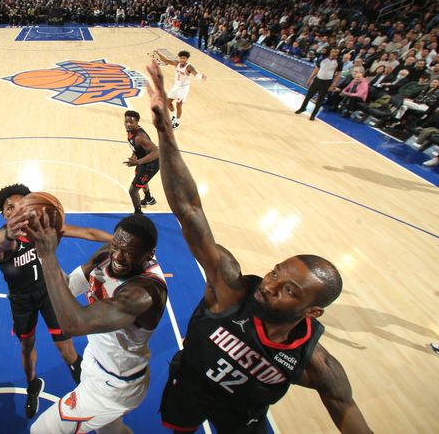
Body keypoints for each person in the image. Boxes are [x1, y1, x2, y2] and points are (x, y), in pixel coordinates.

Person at [144, 60, 372, 433]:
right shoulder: (231, 291)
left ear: (312, 312)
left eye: (288, 290)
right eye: (275, 272)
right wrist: (165, 132)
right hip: (190, 386)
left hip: (242, 416)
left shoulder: (312, 361)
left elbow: (345, 410)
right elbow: (188, 209)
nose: (268, 285)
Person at [23, 212, 167, 434]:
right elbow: (70, 286)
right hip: (97, 363)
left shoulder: (143, 293)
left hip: (114, 385)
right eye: (115, 246)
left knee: (42, 430)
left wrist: (49, 257)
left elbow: (74, 325)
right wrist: (42, 254)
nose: (118, 256)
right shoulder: (107, 255)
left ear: (150, 254)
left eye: (128, 252)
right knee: (111, 431)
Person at [0, 183, 113, 419]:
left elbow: (87, 233)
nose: (14, 210)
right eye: (8, 208)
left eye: (20, 205)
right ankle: (32, 385)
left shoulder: (45, 230)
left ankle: (86, 394)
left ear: (30, 207)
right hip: (21, 301)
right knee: (26, 348)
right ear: (3, 214)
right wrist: (9, 233)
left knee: (67, 349)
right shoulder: (0, 238)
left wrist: (118, 240)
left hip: (49, 292)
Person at [151, 49, 206, 128]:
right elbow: (165, 60)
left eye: (184, 58)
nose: (182, 59)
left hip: (183, 88)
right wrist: (158, 53)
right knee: (168, 102)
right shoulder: (176, 63)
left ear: (187, 59)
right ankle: (174, 116)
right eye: (181, 58)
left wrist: (201, 77)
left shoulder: (189, 67)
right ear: (179, 58)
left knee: (178, 104)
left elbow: (195, 74)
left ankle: (176, 122)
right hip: (176, 86)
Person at [123, 110, 159, 213]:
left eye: (131, 122)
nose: (128, 124)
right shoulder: (131, 132)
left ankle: (138, 213)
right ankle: (149, 198)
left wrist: (137, 162)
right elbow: (136, 148)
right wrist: (134, 156)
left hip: (151, 165)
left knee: (133, 191)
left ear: (137, 122)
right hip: (143, 161)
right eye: (126, 121)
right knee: (140, 180)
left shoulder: (140, 137)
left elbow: (156, 152)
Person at [296, 48, 342, 121]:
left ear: (338, 53)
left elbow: (338, 75)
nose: (334, 53)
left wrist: (332, 85)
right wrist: (310, 78)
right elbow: (317, 69)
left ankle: (313, 115)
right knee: (308, 96)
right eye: (333, 51)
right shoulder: (323, 58)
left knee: (320, 100)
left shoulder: (339, 62)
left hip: (327, 82)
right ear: (330, 51)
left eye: (336, 52)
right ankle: (302, 108)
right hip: (317, 80)